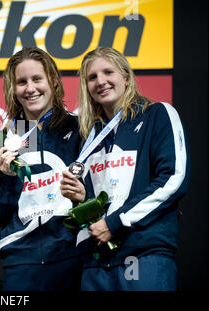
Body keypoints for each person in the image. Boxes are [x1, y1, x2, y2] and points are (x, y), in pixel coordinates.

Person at [61, 47, 190, 290]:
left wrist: (115, 223)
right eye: (92, 77)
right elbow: (98, 202)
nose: (101, 81)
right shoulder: (90, 136)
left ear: (126, 77)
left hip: (142, 254)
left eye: (108, 72)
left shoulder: (157, 114)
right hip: (96, 260)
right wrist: (81, 199)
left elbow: (172, 178)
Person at [0, 47, 84, 291]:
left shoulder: (82, 128)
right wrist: (8, 180)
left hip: (71, 255)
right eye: (21, 82)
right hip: (20, 261)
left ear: (53, 80)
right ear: (12, 88)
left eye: (37, 79)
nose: (30, 88)